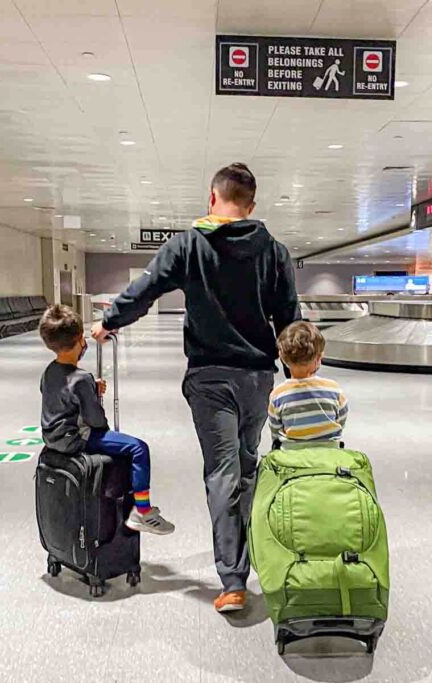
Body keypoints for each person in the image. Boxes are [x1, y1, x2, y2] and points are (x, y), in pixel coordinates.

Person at [91, 162, 299, 614]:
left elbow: (144, 291)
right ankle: (254, 554)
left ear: (212, 198)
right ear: (251, 206)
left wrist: (108, 322)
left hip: (210, 379)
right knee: (246, 466)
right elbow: (289, 318)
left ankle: (233, 580)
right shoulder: (275, 251)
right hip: (258, 377)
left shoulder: (188, 245)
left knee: (224, 472)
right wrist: (298, 375)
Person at [39, 304, 174, 535]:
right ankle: (142, 511)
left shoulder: (49, 371)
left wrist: (91, 387)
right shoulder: (81, 379)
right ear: (81, 340)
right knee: (139, 449)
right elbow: (95, 420)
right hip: (76, 439)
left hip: (52, 438)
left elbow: (61, 398)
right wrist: (105, 426)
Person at [268, 321, 348, 447]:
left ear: (281, 357)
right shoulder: (334, 390)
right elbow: (341, 421)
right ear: (319, 358)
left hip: (292, 459)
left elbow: (275, 430)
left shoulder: (278, 394)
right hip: (330, 455)